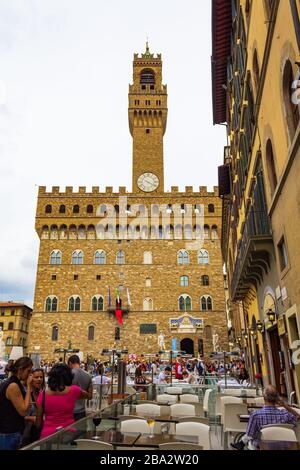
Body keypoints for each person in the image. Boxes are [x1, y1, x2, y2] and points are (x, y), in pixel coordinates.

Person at [231, 385, 299, 450]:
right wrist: (284, 405)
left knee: (251, 435)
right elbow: (297, 416)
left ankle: (241, 443)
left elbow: (250, 434)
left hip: (261, 446)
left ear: (263, 397)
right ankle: (241, 443)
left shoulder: (256, 415)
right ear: (277, 398)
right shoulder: (284, 414)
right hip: (282, 446)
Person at [35, 363, 90, 438]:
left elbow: (38, 423)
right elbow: (88, 396)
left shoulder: (43, 394)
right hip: (68, 433)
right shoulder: (74, 390)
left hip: (48, 435)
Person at [0, 357, 33, 450]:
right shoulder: (13, 385)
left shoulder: (12, 382)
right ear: (20, 369)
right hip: (9, 433)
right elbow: (24, 411)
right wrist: (29, 386)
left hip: (9, 431)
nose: (29, 374)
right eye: (28, 370)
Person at [22, 368, 46, 446]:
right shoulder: (24, 393)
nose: (39, 379)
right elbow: (15, 415)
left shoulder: (42, 393)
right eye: (36, 377)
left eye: (41, 377)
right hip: (24, 432)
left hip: (37, 432)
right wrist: (30, 418)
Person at [67, 355, 93, 421]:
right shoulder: (88, 375)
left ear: (70, 363)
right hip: (81, 411)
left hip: (69, 411)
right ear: (78, 362)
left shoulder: (68, 374)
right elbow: (90, 396)